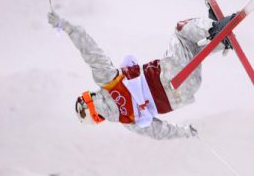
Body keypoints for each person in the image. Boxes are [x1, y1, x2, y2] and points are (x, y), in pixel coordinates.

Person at [47, 10, 234, 140]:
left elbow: (159, 132)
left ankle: (219, 38)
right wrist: (67, 26)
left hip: (187, 88)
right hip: (170, 76)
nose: (93, 92)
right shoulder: (108, 81)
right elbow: (89, 50)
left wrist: (184, 132)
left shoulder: (128, 122)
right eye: (90, 95)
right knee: (180, 31)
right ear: (90, 100)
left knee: (190, 48)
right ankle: (214, 29)